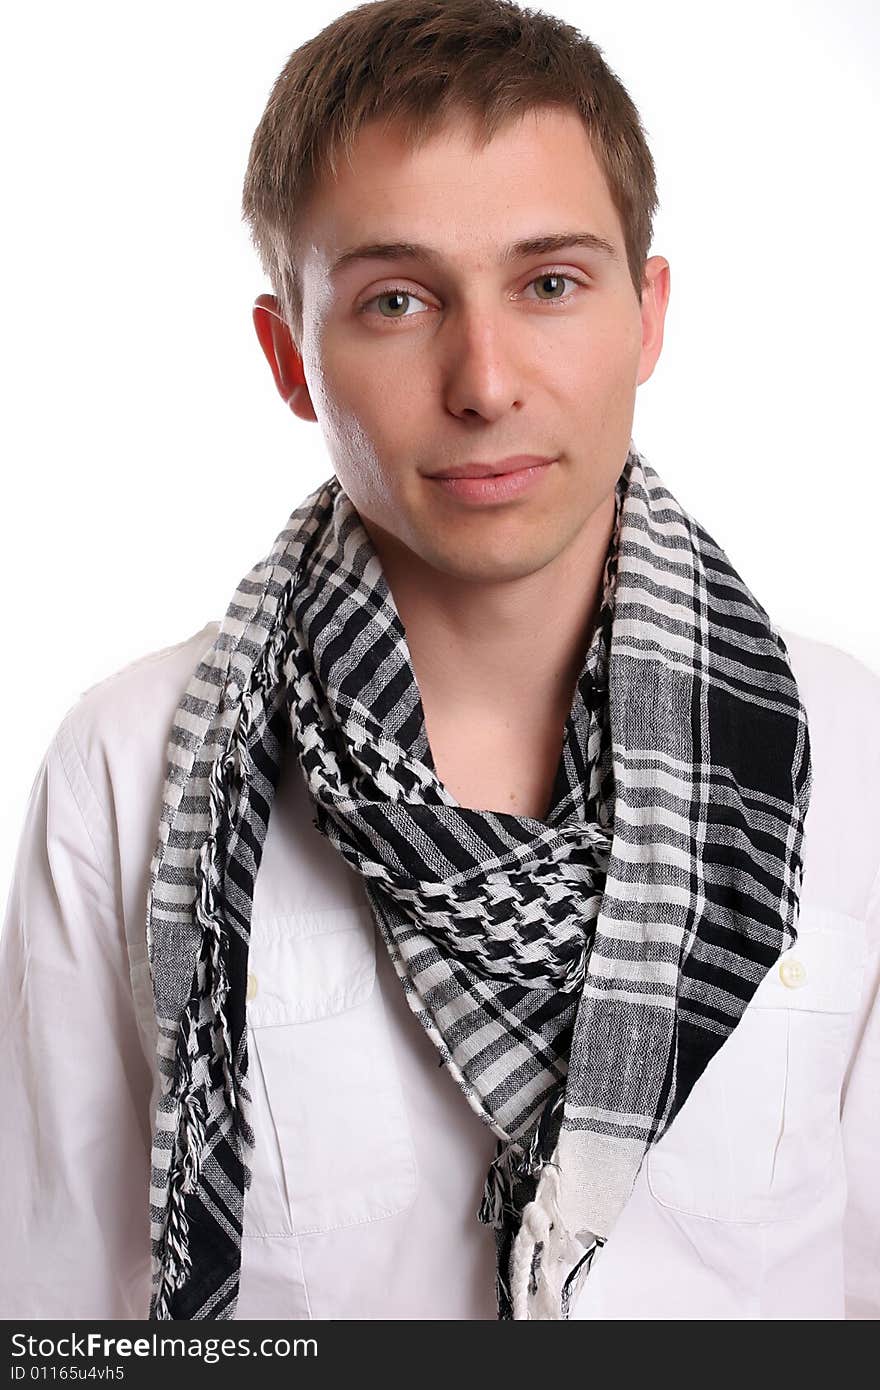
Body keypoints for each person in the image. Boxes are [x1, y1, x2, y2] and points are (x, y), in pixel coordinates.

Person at [1, 0, 877, 1322]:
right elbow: (56, 1305)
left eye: (550, 283)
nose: (484, 378)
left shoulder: (851, 754)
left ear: (647, 318)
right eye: (398, 300)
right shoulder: (129, 766)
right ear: (292, 354)